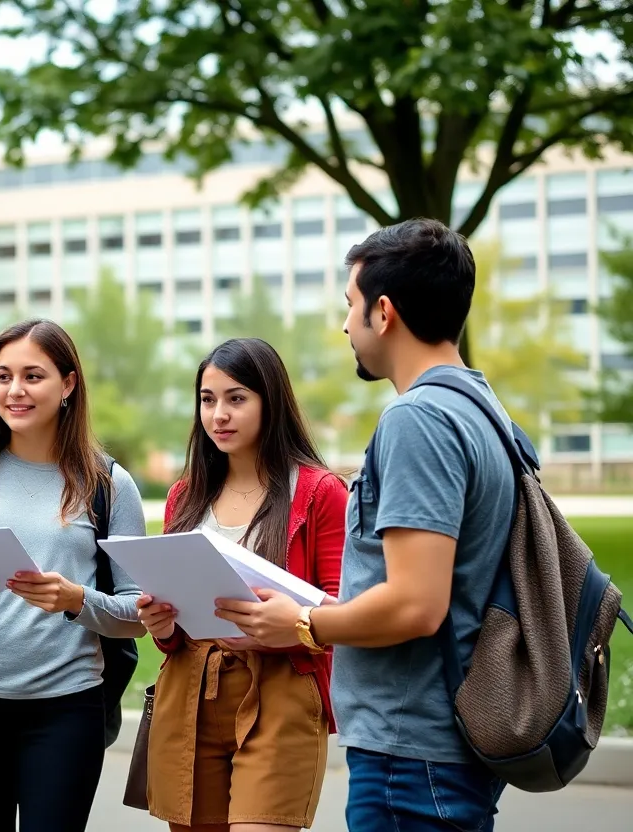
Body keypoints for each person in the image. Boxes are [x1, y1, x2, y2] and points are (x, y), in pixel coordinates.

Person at [217, 218, 515, 831]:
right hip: (444, 746)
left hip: (412, 753)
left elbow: (415, 605)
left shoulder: (418, 420)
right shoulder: (482, 407)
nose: (345, 325)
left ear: (384, 312)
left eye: (350, 306)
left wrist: (301, 623)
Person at [0, 318, 147, 832]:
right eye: (3, 377)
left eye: (32, 376)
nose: (14, 390)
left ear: (68, 385)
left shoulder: (108, 483)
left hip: (65, 711)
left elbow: (137, 613)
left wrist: (74, 599)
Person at [136, 337, 347, 832]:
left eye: (236, 398)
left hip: (282, 692)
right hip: (189, 693)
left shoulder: (320, 493)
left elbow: (346, 612)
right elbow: (173, 633)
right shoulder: (184, 496)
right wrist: (160, 624)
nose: (219, 416)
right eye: (208, 401)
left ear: (269, 402)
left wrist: (293, 625)